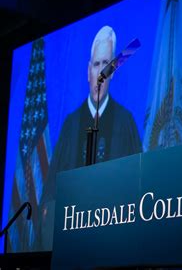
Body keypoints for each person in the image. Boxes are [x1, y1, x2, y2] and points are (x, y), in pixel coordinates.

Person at [37, 26, 142, 250]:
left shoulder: (126, 123)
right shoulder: (70, 125)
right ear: (88, 72)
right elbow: (50, 192)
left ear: (113, 71)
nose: (100, 73)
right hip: (70, 241)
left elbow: (138, 185)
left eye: (106, 64)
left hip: (111, 241)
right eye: (96, 64)